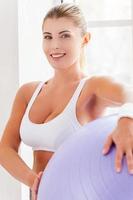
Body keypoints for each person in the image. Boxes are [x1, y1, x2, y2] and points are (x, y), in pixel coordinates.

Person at [0, 3, 133, 200]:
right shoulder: (28, 92)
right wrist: (33, 180)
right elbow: (5, 148)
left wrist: (126, 120)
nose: (55, 45)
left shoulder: (92, 87)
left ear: (85, 39)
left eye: (65, 35)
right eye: (48, 37)